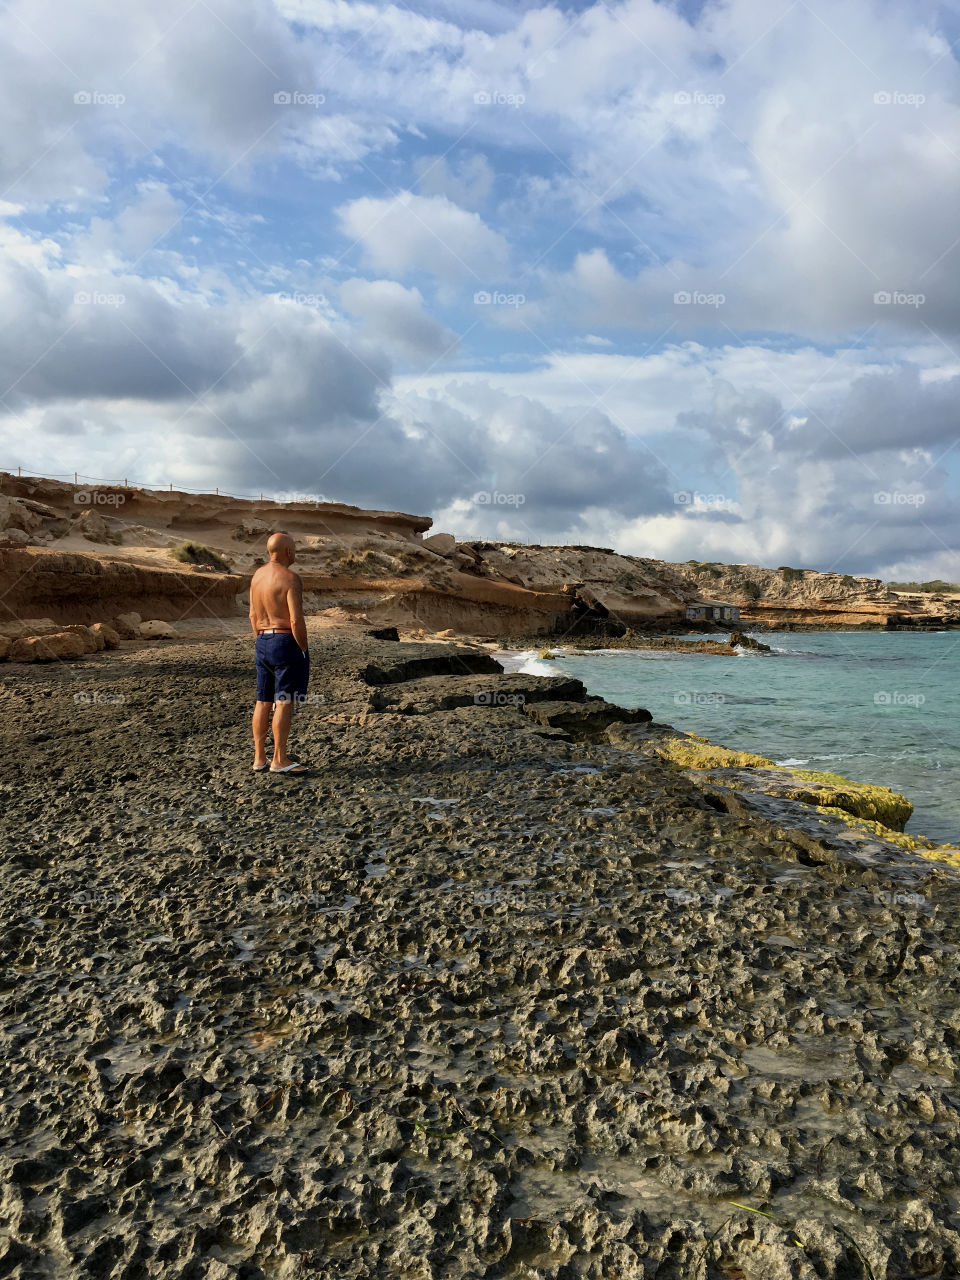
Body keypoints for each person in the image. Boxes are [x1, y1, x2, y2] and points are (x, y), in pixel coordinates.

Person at [249, 531, 310, 773]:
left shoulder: (257, 576)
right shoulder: (290, 579)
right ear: (287, 552)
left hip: (262, 640)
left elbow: (253, 615)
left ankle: (259, 758)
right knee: (284, 702)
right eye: (294, 548)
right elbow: (296, 620)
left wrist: (262, 640)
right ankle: (279, 760)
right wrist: (302, 648)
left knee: (263, 700)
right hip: (285, 641)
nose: (295, 553)